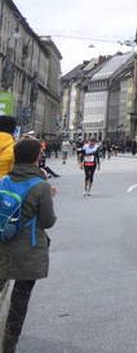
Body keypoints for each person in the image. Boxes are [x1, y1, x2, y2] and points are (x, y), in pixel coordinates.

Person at [0, 138, 57, 352]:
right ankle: (8, 345)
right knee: (20, 300)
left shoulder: (4, 180)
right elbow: (47, 221)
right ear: (36, 158)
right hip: (29, 251)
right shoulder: (41, 186)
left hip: (3, 245)